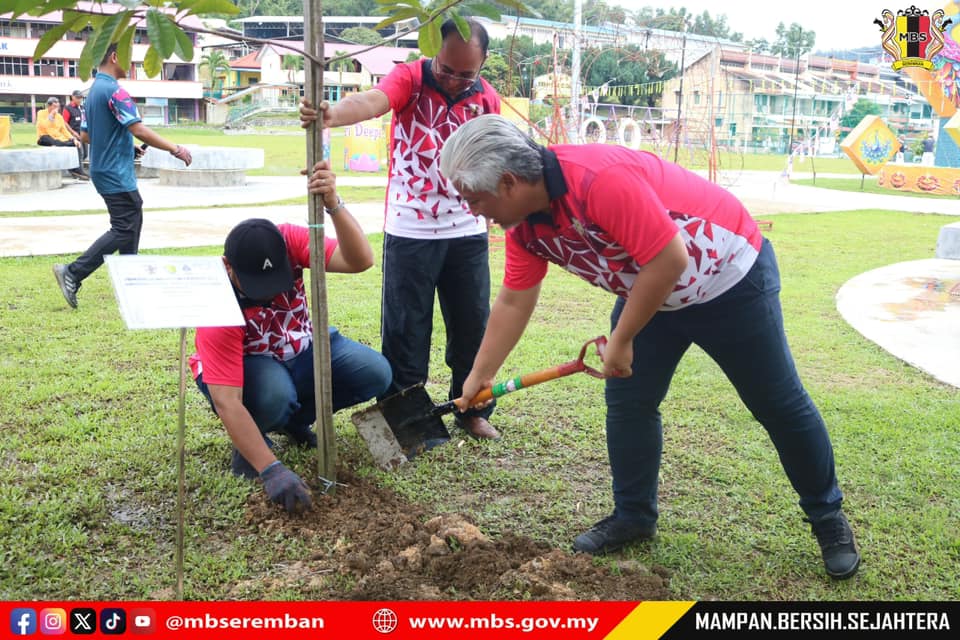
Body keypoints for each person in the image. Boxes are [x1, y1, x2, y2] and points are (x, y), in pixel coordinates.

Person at [442, 115, 861, 580]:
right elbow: (514, 300)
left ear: (508, 182)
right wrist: (480, 373)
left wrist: (622, 340)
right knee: (630, 403)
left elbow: (668, 257)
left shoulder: (598, 180)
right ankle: (633, 516)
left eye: (475, 200)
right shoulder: (524, 227)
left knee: (777, 403)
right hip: (653, 293)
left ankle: (828, 517)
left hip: (729, 279)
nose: (475, 212)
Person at [299, 18, 502, 441]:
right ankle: (409, 422)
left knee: (473, 326)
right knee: (406, 331)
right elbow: (373, 100)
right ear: (433, 53)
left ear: (483, 64)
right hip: (411, 230)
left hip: (467, 231)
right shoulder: (411, 77)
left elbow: (494, 155)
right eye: (447, 69)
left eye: (466, 74)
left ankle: (472, 409)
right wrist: (332, 114)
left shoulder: (487, 98)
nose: (454, 81)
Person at [189, 161, 392, 513]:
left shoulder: (289, 240)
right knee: (274, 395)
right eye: (257, 286)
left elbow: (360, 260)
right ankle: (252, 443)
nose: (269, 293)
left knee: (374, 372)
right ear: (227, 266)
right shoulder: (215, 303)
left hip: (300, 347)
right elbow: (227, 401)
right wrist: (272, 470)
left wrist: (333, 204)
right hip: (250, 367)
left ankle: (294, 422)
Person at [52, 43, 192, 309]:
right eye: (128, 58)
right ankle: (73, 272)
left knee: (132, 218)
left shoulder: (93, 92)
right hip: (115, 171)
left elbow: (86, 135)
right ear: (114, 57)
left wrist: (127, 146)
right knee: (124, 227)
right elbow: (138, 129)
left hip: (104, 168)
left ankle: (131, 280)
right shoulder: (116, 91)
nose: (132, 64)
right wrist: (175, 148)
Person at [35, 96, 87, 180]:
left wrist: (73, 139)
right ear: (49, 106)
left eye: (57, 107)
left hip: (58, 138)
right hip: (44, 137)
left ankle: (77, 169)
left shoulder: (59, 116)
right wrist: (51, 116)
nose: (56, 109)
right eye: (54, 106)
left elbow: (64, 130)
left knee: (76, 144)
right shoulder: (41, 113)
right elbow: (44, 126)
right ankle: (72, 169)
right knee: (55, 141)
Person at [62, 89, 87, 165]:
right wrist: (73, 132)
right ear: (73, 97)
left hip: (83, 134)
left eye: (81, 98)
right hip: (74, 135)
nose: (80, 99)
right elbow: (65, 122)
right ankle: (77, 169)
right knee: (80, 154)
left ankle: (76, 167)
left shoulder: (82, 107)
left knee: (85, 154)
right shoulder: (68, 108)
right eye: (78, 98)